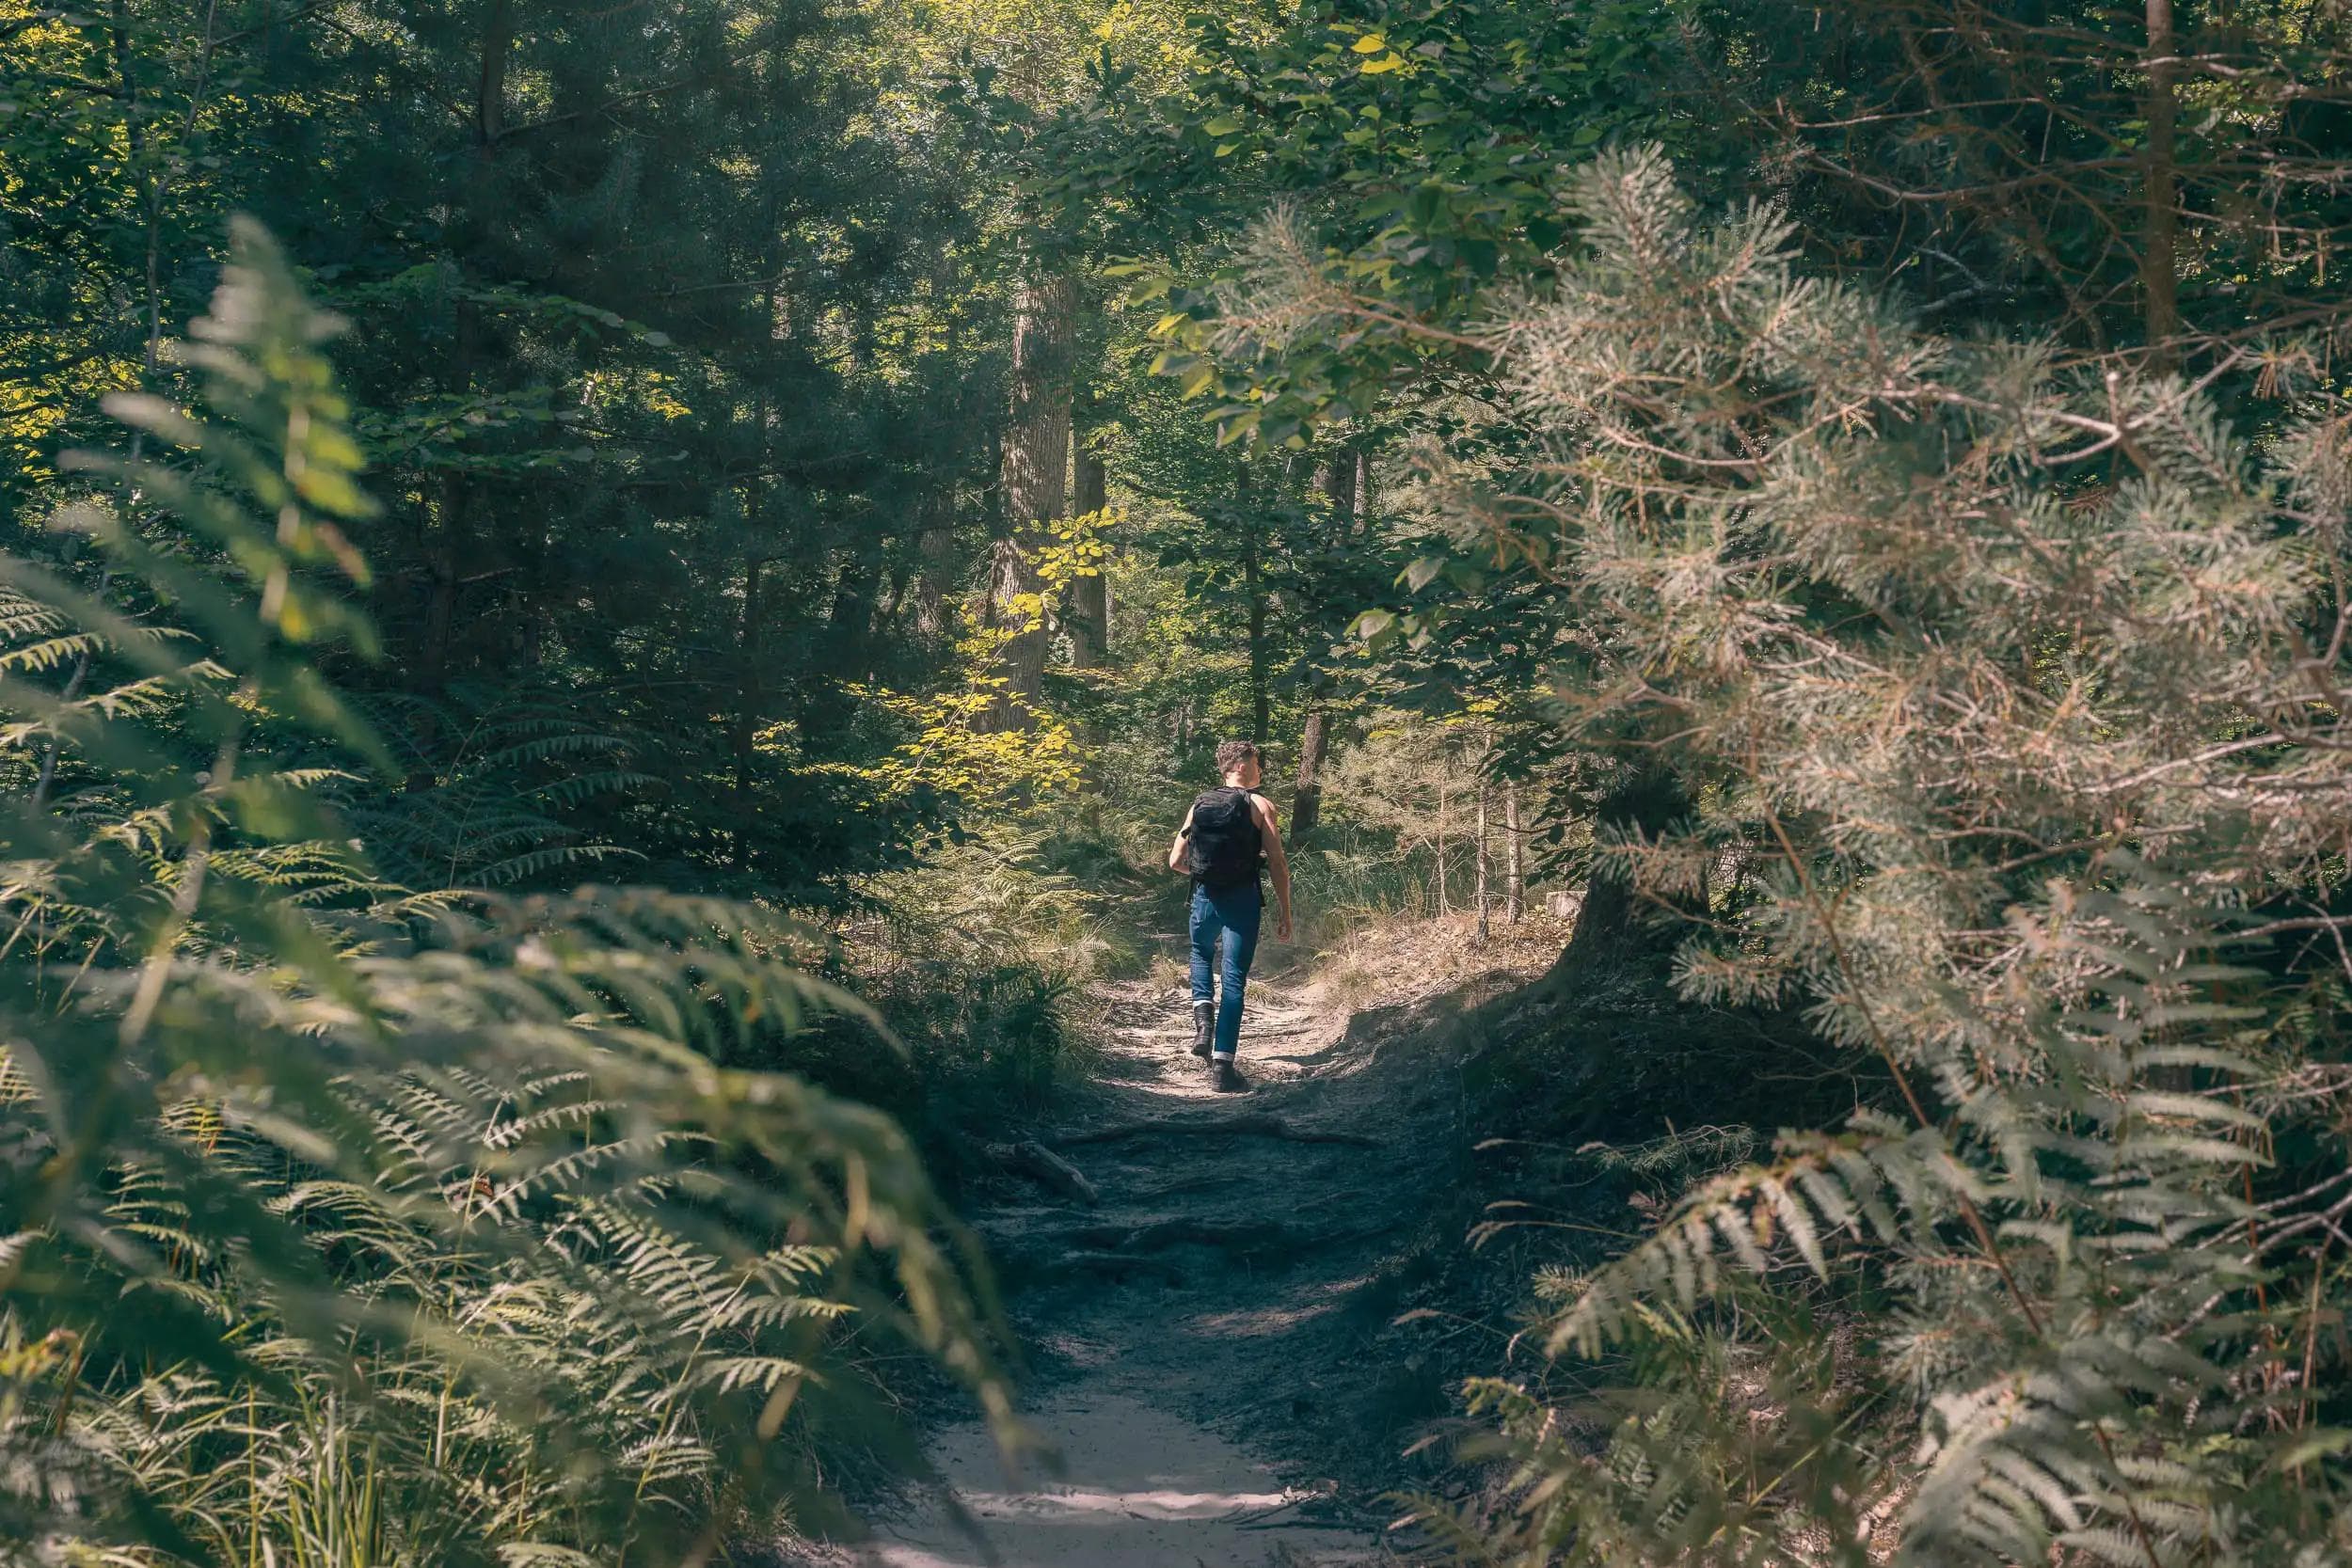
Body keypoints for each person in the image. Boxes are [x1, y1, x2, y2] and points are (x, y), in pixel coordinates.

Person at [1166, 739, 1294, 1092]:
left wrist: (1205, 874)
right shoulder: (1262, 805)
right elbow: (1279, 864)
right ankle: (1223, 1068)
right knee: (1234, 978)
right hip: (1243, 899)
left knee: (1200, 955)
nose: (1261, 770)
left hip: (1205, 897)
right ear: (1239, 766)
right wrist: (1285, 910)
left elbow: (1175, 861)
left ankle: (1202, 1021)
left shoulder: (1199, 804)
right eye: (1257, 764)